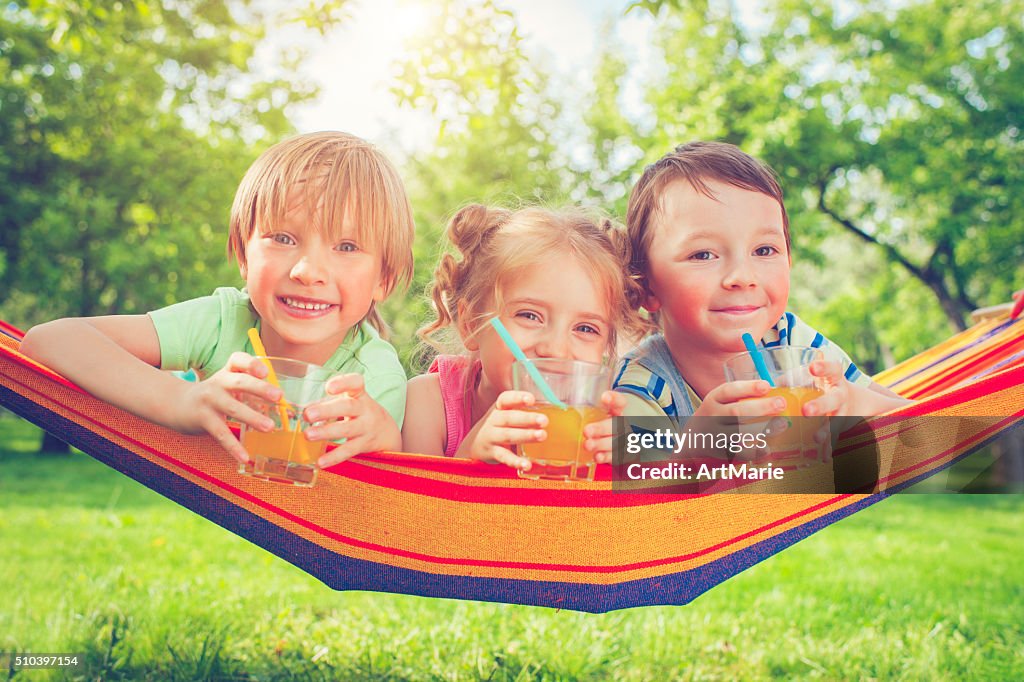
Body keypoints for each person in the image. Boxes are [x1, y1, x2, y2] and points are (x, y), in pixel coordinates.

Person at [20, 131, 415, 467]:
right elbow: (48, 340)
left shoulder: (374, 378)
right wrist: (181, 400)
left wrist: (386, 437)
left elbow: (383, 492)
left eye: (346, 246)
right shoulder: (224, 320)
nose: (306, 271)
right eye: (283, 239)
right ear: (243, 256)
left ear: (384, 279)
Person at [615, 141, 910, 421]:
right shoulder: (643, 385)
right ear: (647, 286)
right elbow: (637, 475)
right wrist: (700, 448)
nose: (742, 277)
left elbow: (923, 418)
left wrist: (858, 402)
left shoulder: (792, 340)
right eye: (703, 255)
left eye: (764, 250)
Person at [402, 204, 650, 470]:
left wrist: (622, 468)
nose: (555, 350)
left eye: (586, 328)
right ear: (470, 324)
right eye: (529, 316)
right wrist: (471, 461)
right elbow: (415, 510)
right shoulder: (429, 402)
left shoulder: (596, 423)